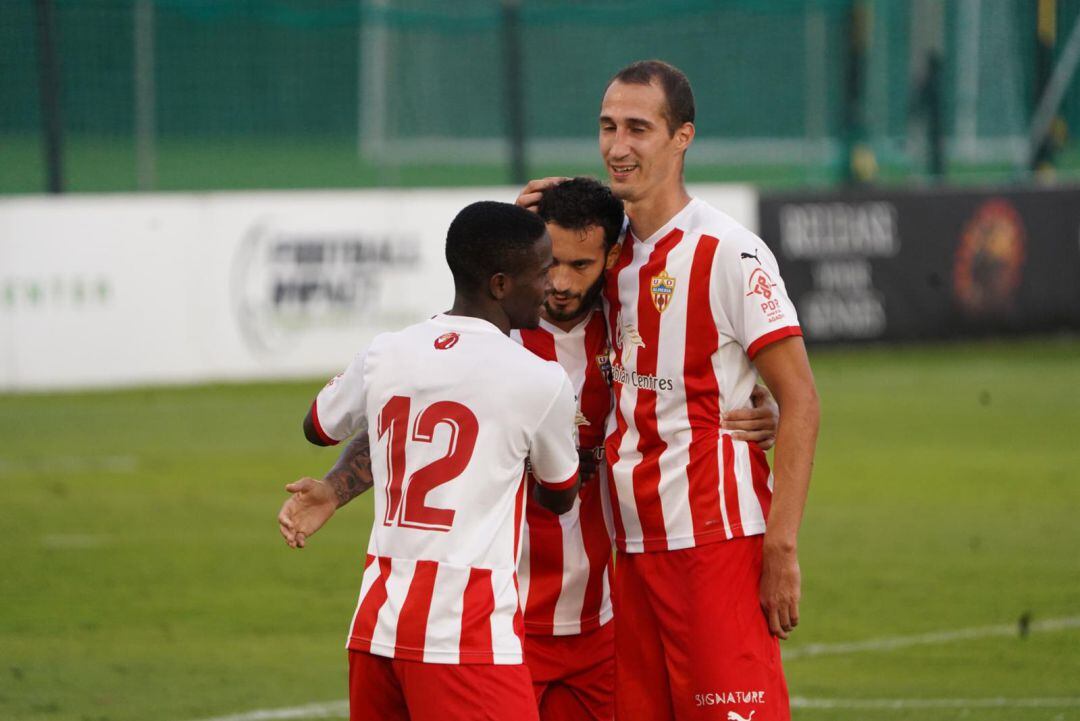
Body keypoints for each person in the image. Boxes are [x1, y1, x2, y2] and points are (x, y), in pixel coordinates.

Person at [517, 60, 820, 721]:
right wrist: (520, 222)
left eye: (638, 128)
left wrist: (782, 546)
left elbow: (799, 399)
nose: (618, 146)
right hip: (633, 551)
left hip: (713, 547)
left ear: (683, 137)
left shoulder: (730, 254)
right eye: (607, 127)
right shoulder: (609, 253)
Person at [279, 201, 582, 721]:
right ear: (501, 284)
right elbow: (559, 495)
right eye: (542, 270)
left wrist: (334, 486)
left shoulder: (388, 351)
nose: (551, 282)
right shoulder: (539, 379)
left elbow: (318, 427)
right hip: (466, 638)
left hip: (377, 630)